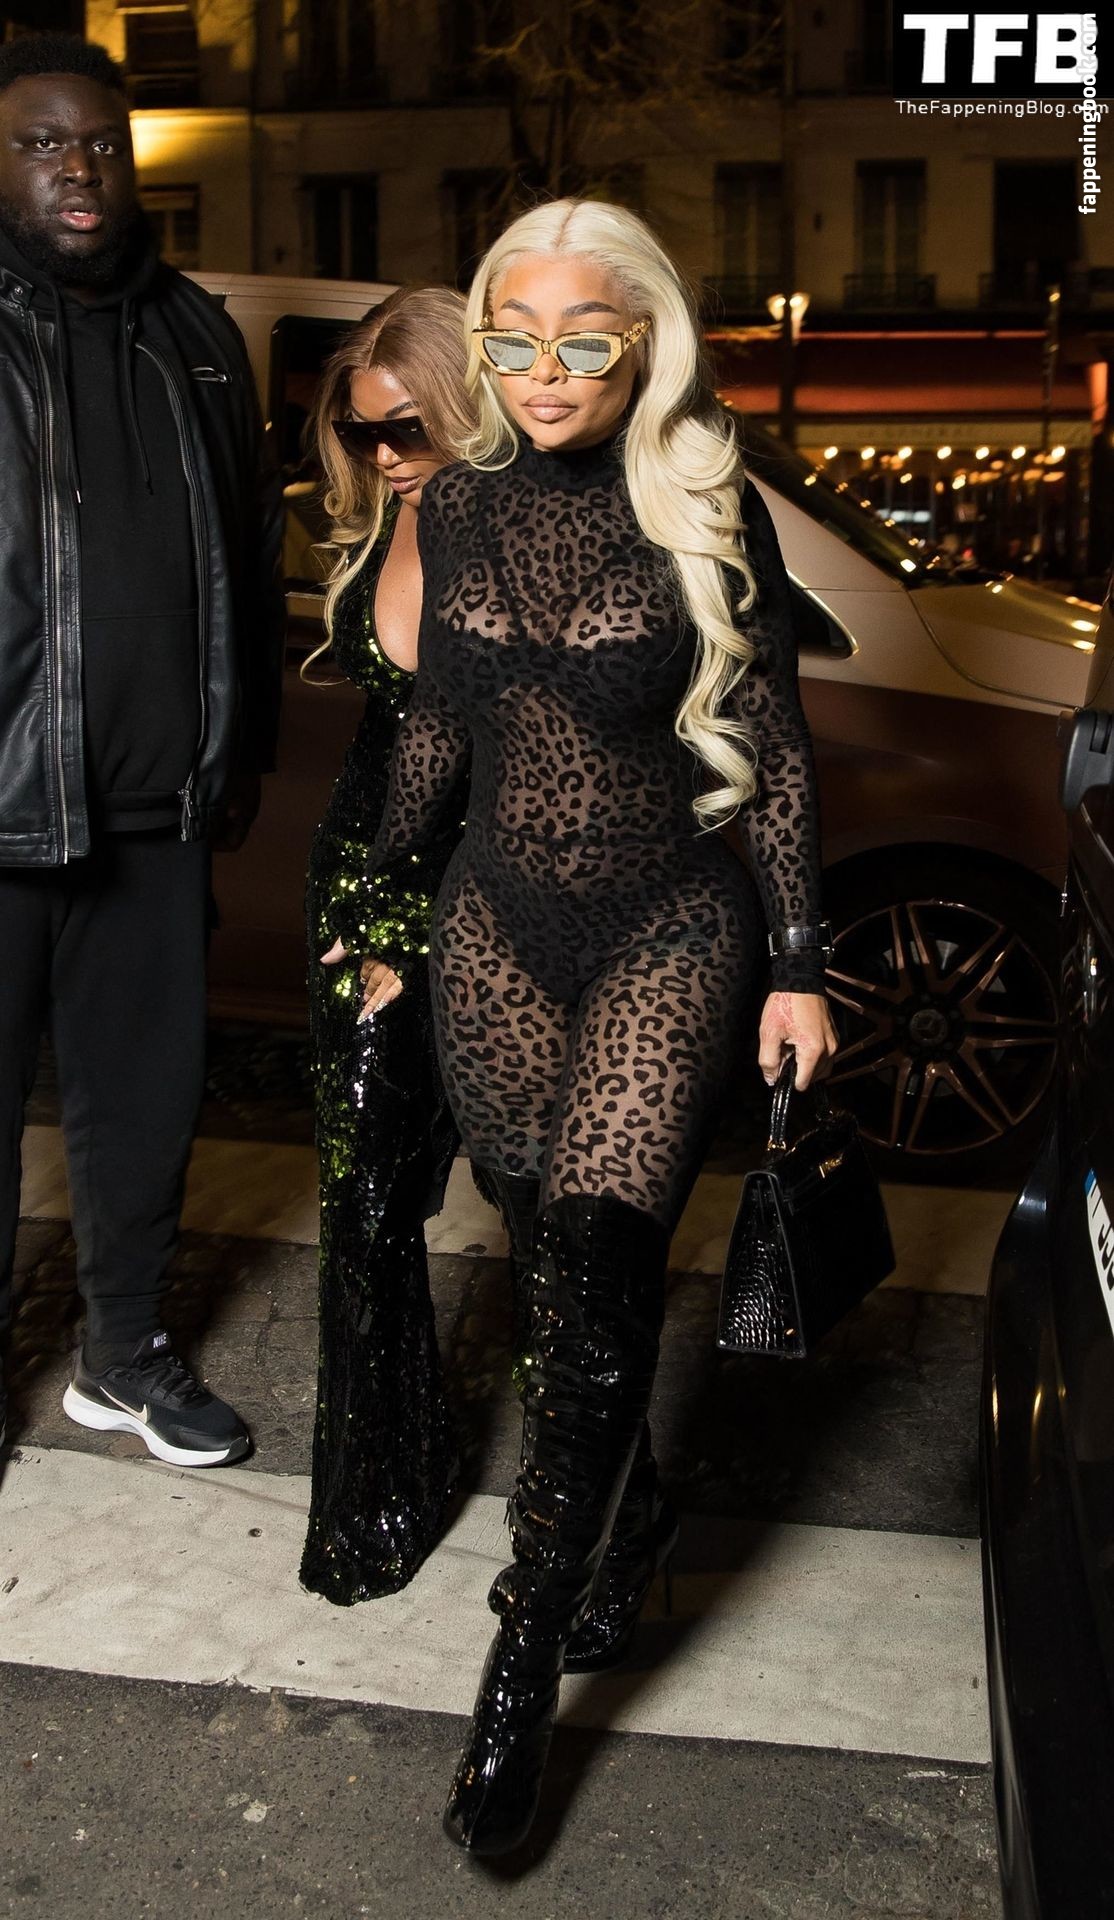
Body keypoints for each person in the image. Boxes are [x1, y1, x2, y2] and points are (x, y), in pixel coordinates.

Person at [341, 196, 841, 1853]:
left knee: (604, 1266)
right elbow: (439, 724)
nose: (542, 372)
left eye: (581, 339)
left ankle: (516, 1685)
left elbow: (773, 741)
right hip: (495, 927)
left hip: (663, 929)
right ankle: (627, 1524)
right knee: (554, 1278)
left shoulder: (705, 498)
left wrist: (797, 964)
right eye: (511, 338)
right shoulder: (464, 500)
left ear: (645, 341)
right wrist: (378, 909)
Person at [0, 35, 283, 1465]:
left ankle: (123, 1357)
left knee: (145, 1109)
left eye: (100, 142)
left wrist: (240, 757)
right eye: (43, 142)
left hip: (157, 809)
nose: (79, 167)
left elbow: (251, 553)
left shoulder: (197, 335)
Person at [299, 287, 474, 1602]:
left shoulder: (534, 528)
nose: (384, 455)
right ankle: (381, 1492)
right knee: (363, 1204)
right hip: (359, 885)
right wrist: (368, 914)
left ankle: (606, 1509)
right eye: (363, 433)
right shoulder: (384, 520)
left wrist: (415, 925)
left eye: (406, 428)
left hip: (487, 897)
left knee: (553, 1219)